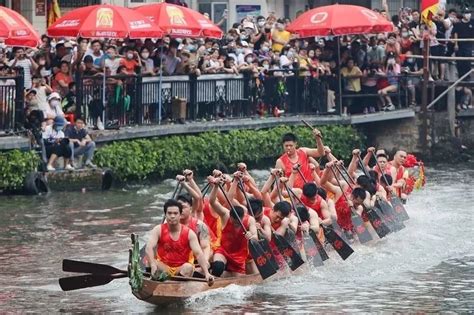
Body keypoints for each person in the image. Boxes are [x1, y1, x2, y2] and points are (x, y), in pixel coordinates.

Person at [145, 199, 213, 282]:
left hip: (181, 269)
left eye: (175, 213)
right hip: (164, 267)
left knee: (188, 267)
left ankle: (174, 284)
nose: (172, 216)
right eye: (169, 213)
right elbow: (149, 248)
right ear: (165, 215)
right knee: (149, 261)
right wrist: (152, 265)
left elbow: (198, 253)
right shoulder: (158, 229)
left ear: (180, 215)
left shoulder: (189, 233)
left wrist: (206, 273)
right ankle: (154, 279)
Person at [208, 176, 258, 277]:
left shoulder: (249, 220)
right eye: (234, 222)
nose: (236, 224)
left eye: (238, 223)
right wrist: (216, 187)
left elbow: (255, 237)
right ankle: (212, 275)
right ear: (230, 216)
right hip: (223, 250)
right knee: (218, 266)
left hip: (239, 255)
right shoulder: (225, 214)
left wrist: (251, 236)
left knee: (238, 279)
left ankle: (220, 276)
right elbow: (212, 202)